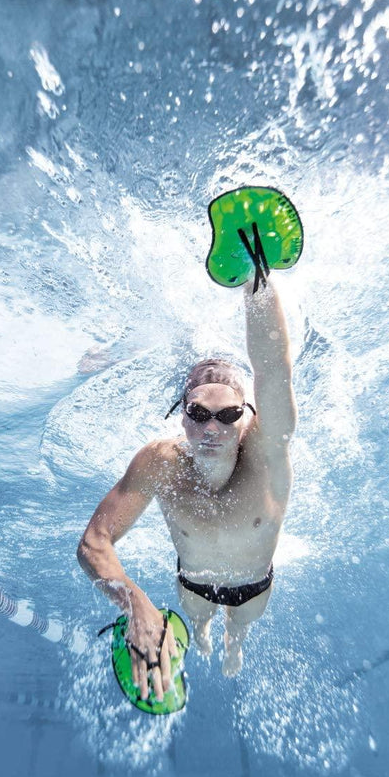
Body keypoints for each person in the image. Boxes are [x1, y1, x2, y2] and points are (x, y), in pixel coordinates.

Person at [77, 278, 296, 702]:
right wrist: (135, 602)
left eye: (228, 414)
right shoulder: (159, 463)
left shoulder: (267, 454)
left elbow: (274, 369)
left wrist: (257, 279)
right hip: (192, 585)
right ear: (181, 416)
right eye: (198, 412)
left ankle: (235, 645)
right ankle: (202, 630)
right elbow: (93, 543)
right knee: (199, 625)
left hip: (253, 587)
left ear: (246, 417)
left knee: (240, 627)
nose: (212, 428)